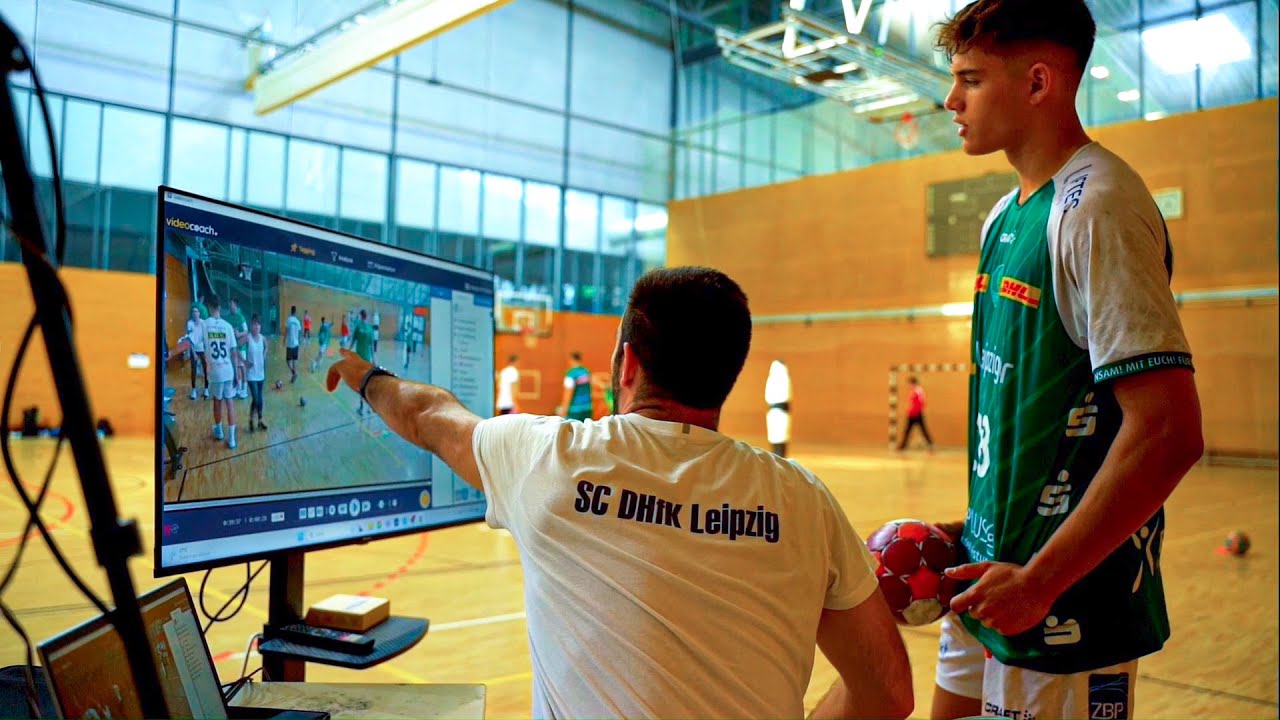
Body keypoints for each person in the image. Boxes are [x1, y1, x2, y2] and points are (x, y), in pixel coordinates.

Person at [323, 267, 914, 718]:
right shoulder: (805, 500)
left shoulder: (547, 459)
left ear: (627, 363)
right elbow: (887, 692)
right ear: (729, 373)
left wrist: (364, 374)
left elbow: (426, 413)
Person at [929, 2, 1204, 719]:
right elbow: (1035, 414)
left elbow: (1169, 432)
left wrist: (1041, 581)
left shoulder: (1098, 208)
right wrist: (974, 524)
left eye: (971, 79)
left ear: (1040, 82)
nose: (951, 100)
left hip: (1062, 608)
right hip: (992, 581)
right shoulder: (1004, 216)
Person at [179, 295, 240, 450]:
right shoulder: (227, 326)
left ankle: (219, 431)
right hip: (228, 371)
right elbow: (234, 352)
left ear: (209, 307)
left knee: (217, 401)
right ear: (219, 307)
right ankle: (232, 439)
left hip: (215, 372)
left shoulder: (204, 325)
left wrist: (171, 353)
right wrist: (237, 373)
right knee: (230, 402)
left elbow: (189, 342)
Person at [244, 315, 268, 432]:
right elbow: (235, 346)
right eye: (254, 324)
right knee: (256, 398)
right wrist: (244, 361)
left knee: (259, 399)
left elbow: (266, 347)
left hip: (260, 373)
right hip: (251, 375)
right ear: (251, 325)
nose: (256, 326)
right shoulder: (248, 338)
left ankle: (258, 420)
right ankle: (255, 419)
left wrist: (264, 355)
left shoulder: (263, 338)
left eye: (258, 324)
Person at [896, 376, 934, 453]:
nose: (908, 386)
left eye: (909, 384)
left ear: (913, 383)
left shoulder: (918, 391)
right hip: (913, 413)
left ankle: (931, 445)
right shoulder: (914, 391)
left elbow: (921, 403)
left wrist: (914, 411)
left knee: (922, 430)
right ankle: (903, 446)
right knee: (908, 430)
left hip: (916, 414)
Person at [350, 309, 376, 415]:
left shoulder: (357, 326)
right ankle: (369, 406)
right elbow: (372, 347)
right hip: (367, 360)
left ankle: (361, 407)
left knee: (360, 384)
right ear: (367, 316)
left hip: (358, 360)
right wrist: (374, 360)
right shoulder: (370, 329)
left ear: (360, 316)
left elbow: (352, 342)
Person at [765, 358, 792, 457]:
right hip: (774, 412)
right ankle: (777, 453)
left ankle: (780, 455)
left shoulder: (783, 379)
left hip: (781, 412)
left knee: (781, 435)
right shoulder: (773, 379)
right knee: (774, 435)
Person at [225, 298, 249, 400]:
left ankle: (245, 387)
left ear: (236, 305)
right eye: (230, 304)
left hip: (241, 347)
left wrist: (239, 334)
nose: (231, 306)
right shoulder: (228, 317)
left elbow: (246, 331)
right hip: (233, 347)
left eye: (232, 304)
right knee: (235, 366)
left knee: (242, 366)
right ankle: (238, 386)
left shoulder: (241, 317)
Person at [558, 351, 592, 421]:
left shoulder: (571, 374)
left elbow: (568, 393)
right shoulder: (586, 372)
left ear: (571, 360)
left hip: (575, 410)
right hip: (587, 408)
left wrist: (564, 409)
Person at [184, 304, 208, 400]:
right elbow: (189, 339)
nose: (195, 313)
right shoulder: (189, 323)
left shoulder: (203, 323)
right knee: (193, 370)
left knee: (205, 369)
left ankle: (206, 388)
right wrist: (193, 353)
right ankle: (193, 390)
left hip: (202, 349)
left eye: (196, 311)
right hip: (194, 349)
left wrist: (206, 351)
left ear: (199, 313)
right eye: (193, 312)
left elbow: (205, 338)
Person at [284, 305, 302, 383]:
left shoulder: (289, 320)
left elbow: (286, 331)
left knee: (288, 361)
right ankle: (294, 376)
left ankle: (294, 373)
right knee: (294, 361)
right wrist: (299, 342)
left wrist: (284, 339)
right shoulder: (297, 321)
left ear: (291, 311)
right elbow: (300, 332)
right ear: (295, 312)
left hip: (290, 344)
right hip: (296, 344)